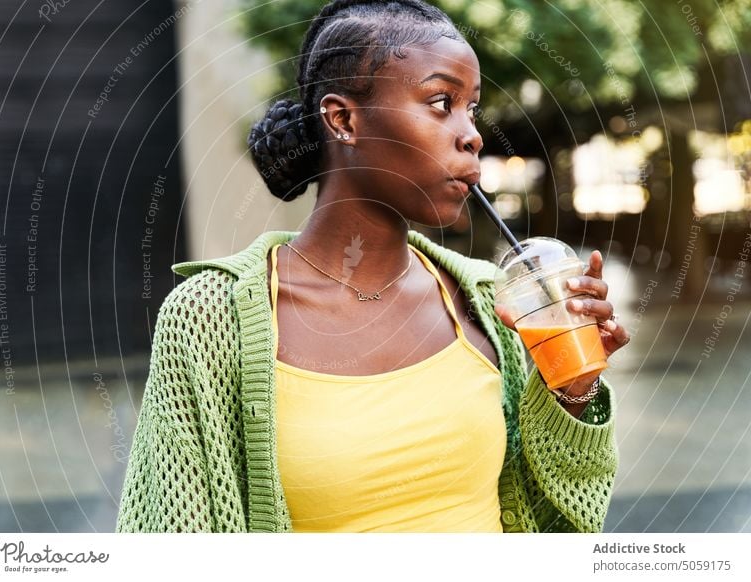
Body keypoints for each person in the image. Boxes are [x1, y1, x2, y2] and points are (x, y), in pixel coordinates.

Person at [116, 0, 630, 533]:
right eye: (439, 102)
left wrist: (572, 388)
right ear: (343, 119)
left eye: (470, 108)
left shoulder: (484, 299)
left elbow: (555, 519)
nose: (472, 134)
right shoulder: (209, 320)